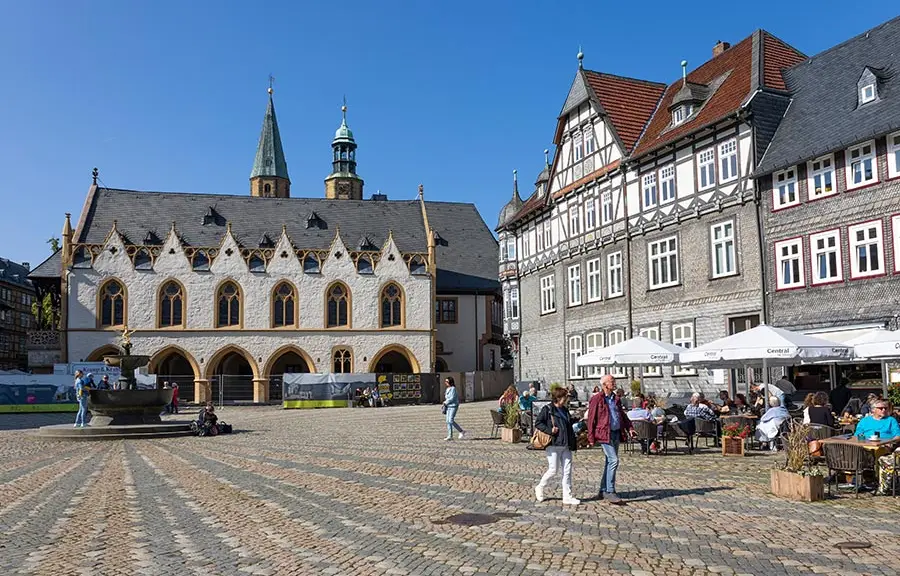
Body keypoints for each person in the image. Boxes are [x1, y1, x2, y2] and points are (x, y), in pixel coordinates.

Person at [586, 374, 635, 504]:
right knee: (614, 460)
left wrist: (630, 427)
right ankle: (610, 491)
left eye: (614, 381)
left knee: (609, 461)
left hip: (615, 433)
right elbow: (591, 419)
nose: (614, 383)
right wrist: (590, 437)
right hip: (603, 434)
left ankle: (603, 490)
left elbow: (622, 415)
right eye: (612, 381)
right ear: (604, 384)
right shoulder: (597, 399)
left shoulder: (616, 399)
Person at [534, 387, 580, 505]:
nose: (567, 400)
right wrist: (550, 430)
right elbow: (538, 423)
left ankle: (567, 497)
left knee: (567, 471)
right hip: (553, 444)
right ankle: (540, 487)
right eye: (565, 397)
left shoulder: (564, 410)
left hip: (566, 444)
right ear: (558, 398)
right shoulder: (547, 409)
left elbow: (568, 423)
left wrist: (579, 419)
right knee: (553, 470)